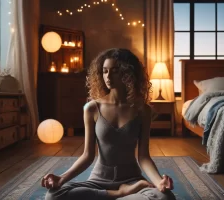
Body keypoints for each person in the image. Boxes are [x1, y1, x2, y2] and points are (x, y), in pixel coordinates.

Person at [42, 48, 175, 200]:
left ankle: (110, 196)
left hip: (132, 181)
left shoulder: (142, 110)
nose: (108, 76)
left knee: (166, 197)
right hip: (99, 181)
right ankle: (119, 195)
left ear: (128, 74)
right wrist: (61, 179)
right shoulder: (92, 108)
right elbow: (87, 155)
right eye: (105, 71)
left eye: (115, 71)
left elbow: (143, 157)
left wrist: (159, 183)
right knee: (53, 196)